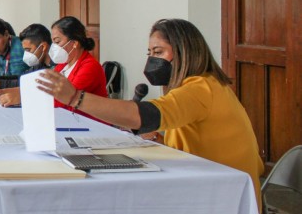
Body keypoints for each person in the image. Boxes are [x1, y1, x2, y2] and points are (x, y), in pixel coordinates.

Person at [36, 18, 264, 201]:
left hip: (226, 192)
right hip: (210, 180)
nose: (152, 60)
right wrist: (159, 139)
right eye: (150, 54)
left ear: (183, 51)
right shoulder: (198, 86)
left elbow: (145, 115)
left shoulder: (202, 88)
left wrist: (76, 97)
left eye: (159, 52)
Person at [0, 23, 56, 106]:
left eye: (28, 50)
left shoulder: (56, 68)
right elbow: (22, 78)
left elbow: (46, 93)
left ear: (43, 47)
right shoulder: (40, 65)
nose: (26, 54)